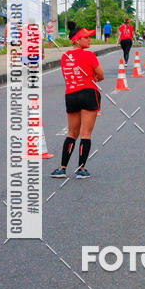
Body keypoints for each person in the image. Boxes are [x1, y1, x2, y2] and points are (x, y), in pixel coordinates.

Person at [51, 28, 104, 179]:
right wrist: (94, 77)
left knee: (71, 133)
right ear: (77, 40)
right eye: (86, 38)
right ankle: (81, 169)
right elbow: (100, 74)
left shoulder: (64, 56)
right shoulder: (89, 54)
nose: (89, 40)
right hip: (88, 93)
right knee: (85, 133)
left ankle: (62, 168)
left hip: (71, 95)